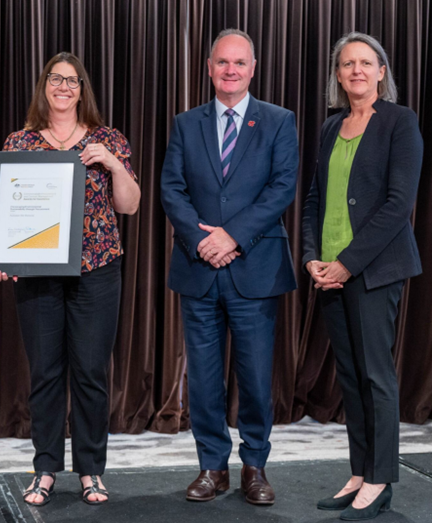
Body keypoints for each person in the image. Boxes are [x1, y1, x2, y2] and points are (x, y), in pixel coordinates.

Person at [0, 52, 140, 506]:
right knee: (46, 374)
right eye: (56, 79)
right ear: (45, 87)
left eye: (72, 81)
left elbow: (130, 205)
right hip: (38, 275)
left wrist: (113, 164)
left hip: (97, 271)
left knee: (92, 373)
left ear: (82, 89)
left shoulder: (107, 139)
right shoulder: (20, 142)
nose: (63, 87)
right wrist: (1, 257)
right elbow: (5, 213)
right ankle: (46, 469)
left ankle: (92, 471)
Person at [160, 29, 298, 506]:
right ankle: (212, 467)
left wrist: (231, 236)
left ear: (253, 68)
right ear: (209, 67)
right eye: (223, 62)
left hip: (254, 268)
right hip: (199, 269)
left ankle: (254, 466)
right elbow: (171, 189)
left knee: (257, 377)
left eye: (240, 62)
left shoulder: (279, 121)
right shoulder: (185, 123)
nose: (231, 70)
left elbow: (282, 188)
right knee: (202, 378)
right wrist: (202, 241)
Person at [302, 32, 423, 521]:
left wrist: (347, 262)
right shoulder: (332, 126)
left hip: (372, 270)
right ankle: (359, 472)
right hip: (329, 272)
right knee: (350, 379)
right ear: (337, 74)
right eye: (347, 63)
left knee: (377, 377)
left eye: (365, 63)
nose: (356, 71)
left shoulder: (399, 122)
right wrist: (313, 257)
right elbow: (314, 200)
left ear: (381, 72)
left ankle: (381, 479)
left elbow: (398, 205)